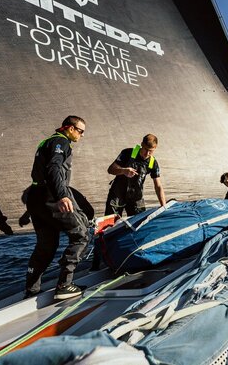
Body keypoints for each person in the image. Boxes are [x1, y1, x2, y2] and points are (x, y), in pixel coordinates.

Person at [24, 116, 94, 300]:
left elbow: (39, 176)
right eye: (80, 131)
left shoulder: (45, 142)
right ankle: (64, 285)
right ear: (70, 128)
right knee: (81, 234)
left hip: (36, 199)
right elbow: (54, 169)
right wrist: (62, 195)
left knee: (46, 246)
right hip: (52, 197)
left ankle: (31, 290)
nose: (82, 135)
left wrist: (28, 212)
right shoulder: (61, 142)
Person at [105, 134, 166, 217]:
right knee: (109, 225)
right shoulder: (127, 153)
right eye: (145, 149)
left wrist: (164, 206)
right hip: (117, 194)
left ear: (155, 148)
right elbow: (110, 169)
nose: (147, 153)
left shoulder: (152, 162)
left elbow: (158, 185)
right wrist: (123, 171)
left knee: (139, 224)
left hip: (136, 198)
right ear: (141, 144)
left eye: (151, 151)